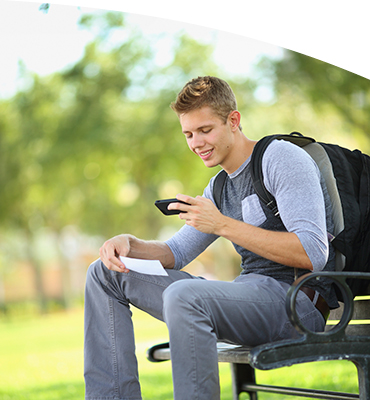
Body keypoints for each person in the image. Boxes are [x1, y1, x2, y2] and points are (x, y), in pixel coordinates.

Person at [84, 76, 338, 400]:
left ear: (234, 120)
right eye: (188, 134)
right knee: (104, 272)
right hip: (249, 295)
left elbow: (312, 252)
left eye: (205, 130)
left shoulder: (281, 159)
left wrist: (221, 224)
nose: (196, 143)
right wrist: (131, 245)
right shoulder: (218, 186)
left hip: (296, 302)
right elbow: (176, 252)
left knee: (186, 295)